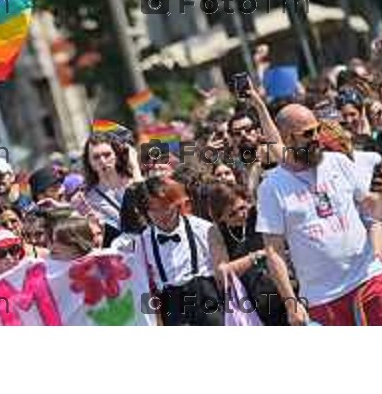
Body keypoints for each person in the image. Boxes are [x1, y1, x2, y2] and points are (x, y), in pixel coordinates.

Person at [256, 103, 382, 326]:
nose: (317, 138)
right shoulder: (271, 187)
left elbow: (374, 210)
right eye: (308, 134)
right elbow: (274, 251)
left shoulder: (338, 162)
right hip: (323, 297)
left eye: (318, 129)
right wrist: (291, 303)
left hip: (369, 278)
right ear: (287, 138)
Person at [134, 176, 225, 326]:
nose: (161, 215)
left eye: (165, 207)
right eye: (153, 210)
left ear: (176, 203)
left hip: (207, 302)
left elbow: (223, 274)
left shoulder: (204, 229)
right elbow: (145, 288)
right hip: (171, 308)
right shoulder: (142, 243)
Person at [207, 183, 287, 325]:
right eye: (232, 214)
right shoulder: (216, 232)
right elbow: (222, 272)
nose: (241, 215)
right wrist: (258, 255)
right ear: (221, 218)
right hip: (251, 305)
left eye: (242, 207)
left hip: (284, 292)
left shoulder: (260, 215)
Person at [83, 133, 136, 246]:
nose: (102, 161)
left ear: (116, 155)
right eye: (96, 157)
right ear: (90, 163)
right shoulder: (89, 197)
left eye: (107, 155)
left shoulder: (134, 180)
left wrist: (135, 167)